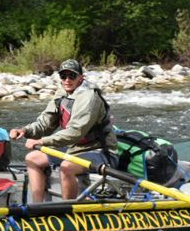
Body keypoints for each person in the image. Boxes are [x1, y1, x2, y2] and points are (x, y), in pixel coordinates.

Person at [9, 59, 117, 202]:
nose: (67, 80)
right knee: (32, 159)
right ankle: (37, 207)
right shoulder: (62, 93)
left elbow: (74, 132)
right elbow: (46, 122)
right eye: (63, 76)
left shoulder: (89, 97)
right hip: (74, 149)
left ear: (81, 78)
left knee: (67, 167)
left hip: (100, 151)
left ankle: (66, 210)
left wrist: (42, 141)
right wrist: (25, 130)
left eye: (72, 76)